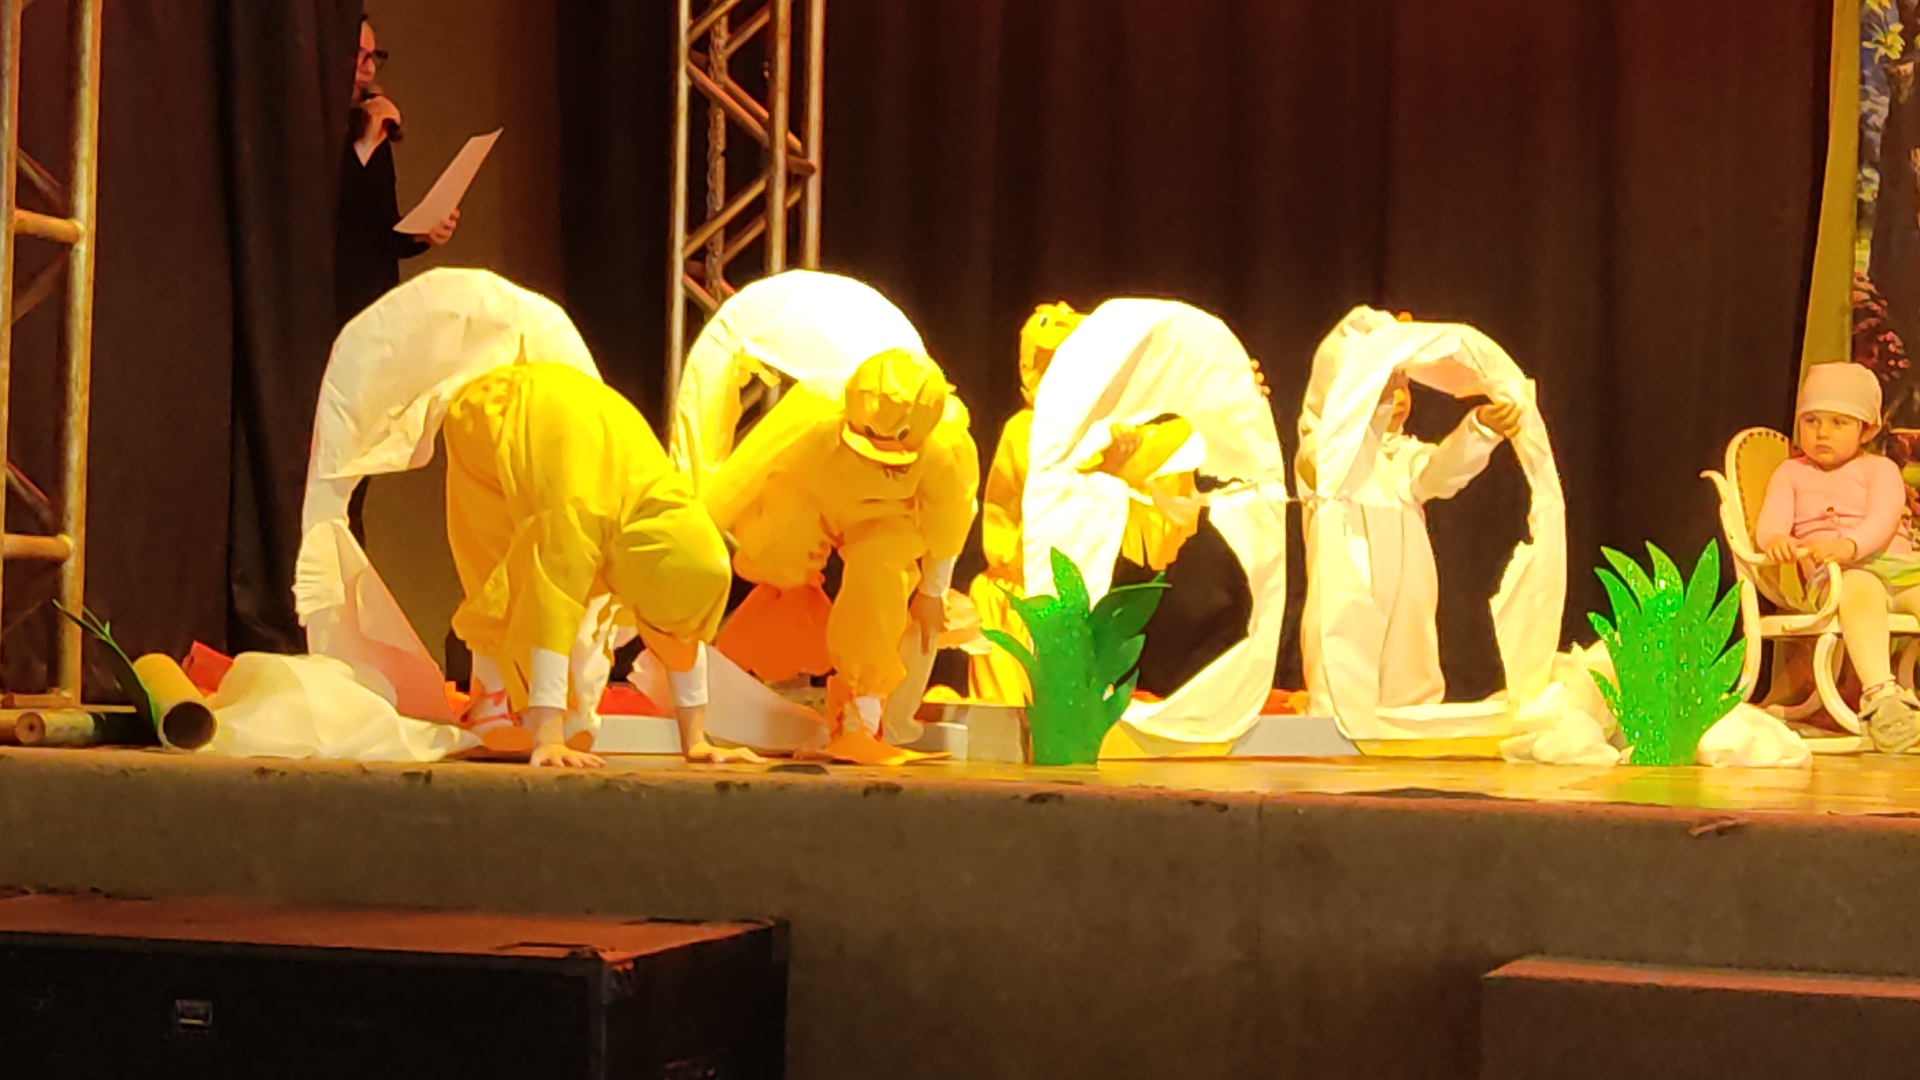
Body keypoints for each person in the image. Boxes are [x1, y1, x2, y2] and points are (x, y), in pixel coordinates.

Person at [442, 359, 761, 768]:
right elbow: (550, 608)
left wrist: (696, 742)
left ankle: (539, 706)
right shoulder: (579, 516)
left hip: (573, 422)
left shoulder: (671, 515)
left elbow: (682, 628)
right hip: (492, 414)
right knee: (500, 577)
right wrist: (549, 739)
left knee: (578, 604)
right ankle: (493, 700)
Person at [703, 349, 980, 740]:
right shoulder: (815, 409)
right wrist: (698, 531)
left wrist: (932, 591)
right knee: (775, 546)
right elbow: (748, 468)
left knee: (878, 581)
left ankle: (862, 711)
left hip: (887, 517)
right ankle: (783, 626)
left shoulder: (947, 447)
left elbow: (949, 521)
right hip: (815, 495)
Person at [1297, 345, 1525, 718]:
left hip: (1408, 617)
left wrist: (1480, 429)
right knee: (1342, 688)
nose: (1399, 397)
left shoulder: (1403, 456)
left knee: (1410, 684)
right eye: (1386, 385)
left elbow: (1440, 471)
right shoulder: (1322, 452)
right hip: (1348, 608)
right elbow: (1329, 466)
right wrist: (1372, 401)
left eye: (1403, 385)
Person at [338, 16, 460, 544]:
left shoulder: (373, 136)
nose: (368, 71)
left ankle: (349, 582)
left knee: (359, 474)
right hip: (329, 320)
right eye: (359, 56)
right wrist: (363, 145)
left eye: (374, 58)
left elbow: (377, 232)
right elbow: (325, 224)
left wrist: (423, 233)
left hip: (373, 318)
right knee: (331, 473)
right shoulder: (324, 132)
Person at [1757, 361, 1920, 752]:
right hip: (1837, 576)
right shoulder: (1790, 474)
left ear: (1868, 430)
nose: (1822, 433)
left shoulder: (1880, 469)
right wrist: (1776, 540)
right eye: (1811, 420)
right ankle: (1881, 698)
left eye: (1838, 423)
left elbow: (1883, 518)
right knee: (1859, 585)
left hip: (1900, 570)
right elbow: (1770, 524)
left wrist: (1851, 544)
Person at [966, 302, 1083, 703]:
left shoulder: (1093, 434)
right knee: (1010, 715)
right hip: (1017, 595)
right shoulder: (1028, 431)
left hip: (1063, 595)